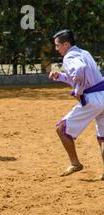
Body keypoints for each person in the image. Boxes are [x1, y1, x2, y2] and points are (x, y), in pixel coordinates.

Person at [48, 30, 104, 179]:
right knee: (102, 137)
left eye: (58, 45)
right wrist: (60, 76)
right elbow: (81, 75)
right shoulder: (84, 53)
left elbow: (80, 71)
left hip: (93, 99)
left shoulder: (69, 56)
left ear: (66, 44)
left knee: (61, 129)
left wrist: (78, 91)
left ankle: (75, 163)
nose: (56, 49)